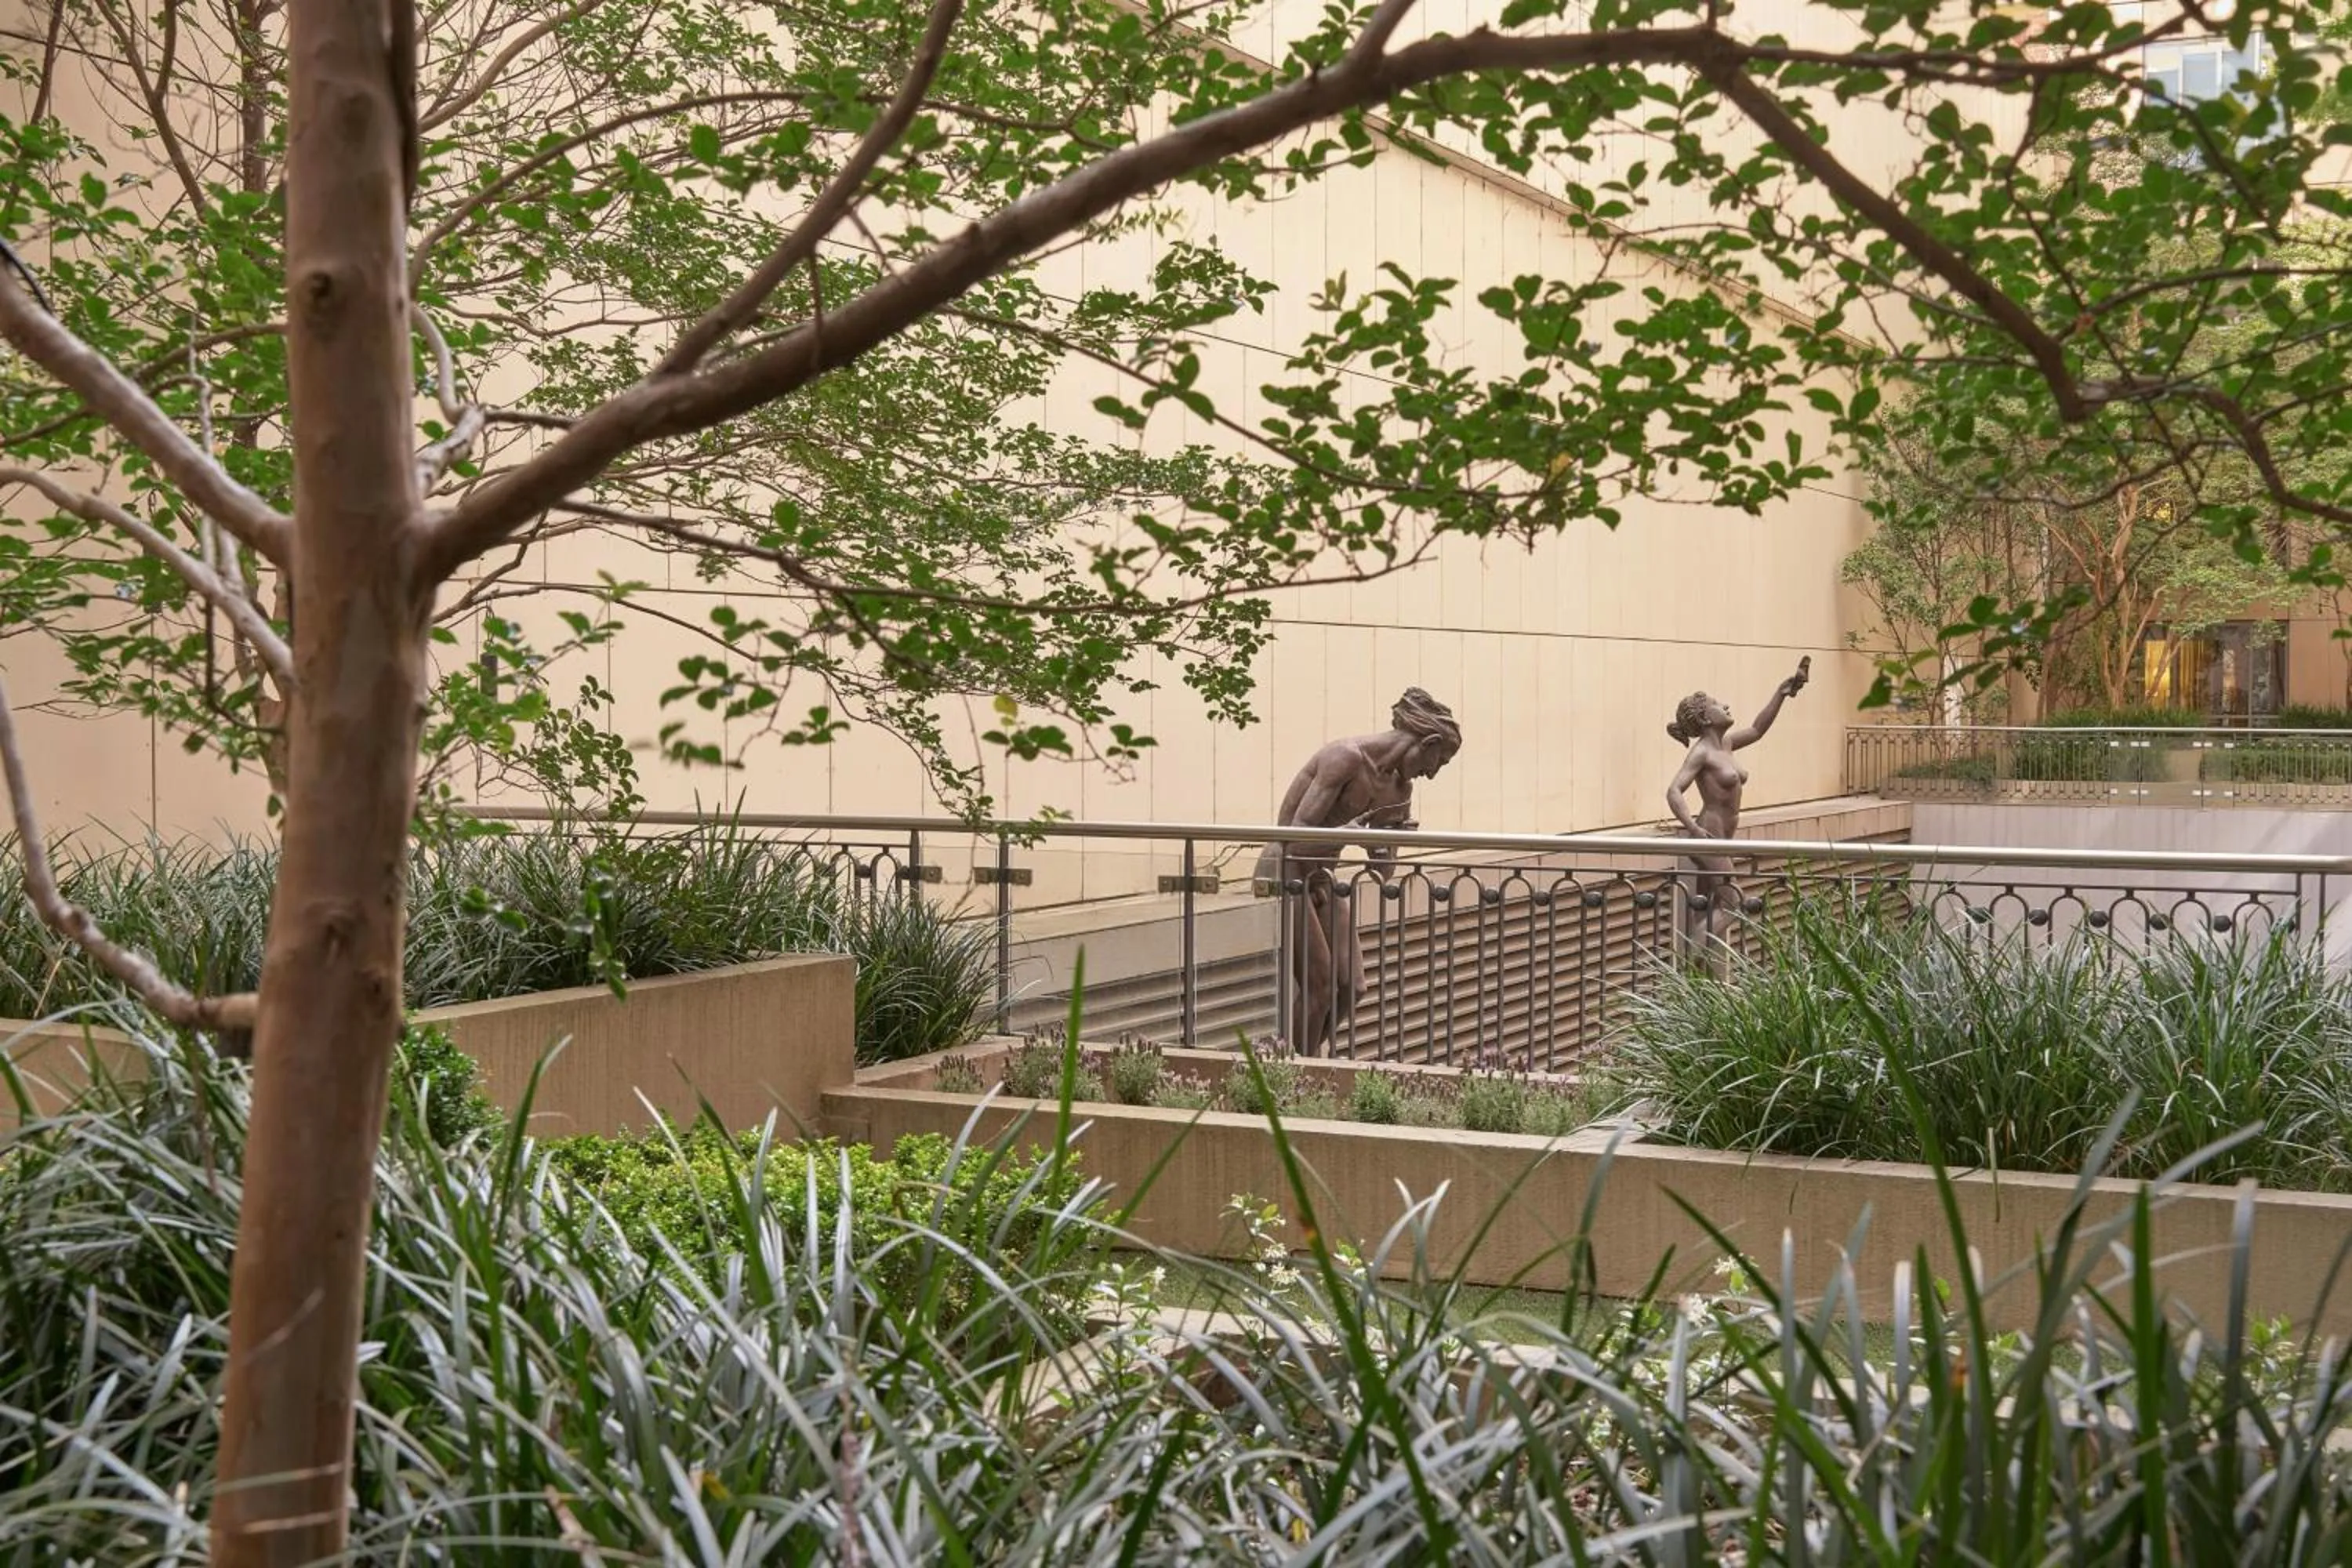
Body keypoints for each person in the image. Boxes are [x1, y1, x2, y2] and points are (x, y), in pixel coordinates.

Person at [1254, 688, 1461, 1056]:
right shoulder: (1345, 758)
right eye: (1438, 761)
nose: (1433, 774)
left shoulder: (1400, 788)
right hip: (1285, 870)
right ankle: (1299, 1070)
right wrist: (1348, 834)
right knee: (1320, 984)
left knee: (1352, 987)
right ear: (1427, 742)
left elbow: (1383, 872)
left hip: (1322, 878)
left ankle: (1295, 1057)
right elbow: (1292, 839)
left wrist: (1387, 842)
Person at [1664, 657, 1809, 965]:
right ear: (1705, 719)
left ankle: (1698, 976)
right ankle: (1688, 968)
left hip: (1725, 836)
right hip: (1710, 835)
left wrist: (1781, 693)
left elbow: (1758, 729)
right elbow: (1674, 790)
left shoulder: (1726, 744)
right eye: (1718, 705)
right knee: (1732, 903)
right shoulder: (1702, 752)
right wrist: (1692, 827)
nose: (1726, 706)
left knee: (1709, 905)